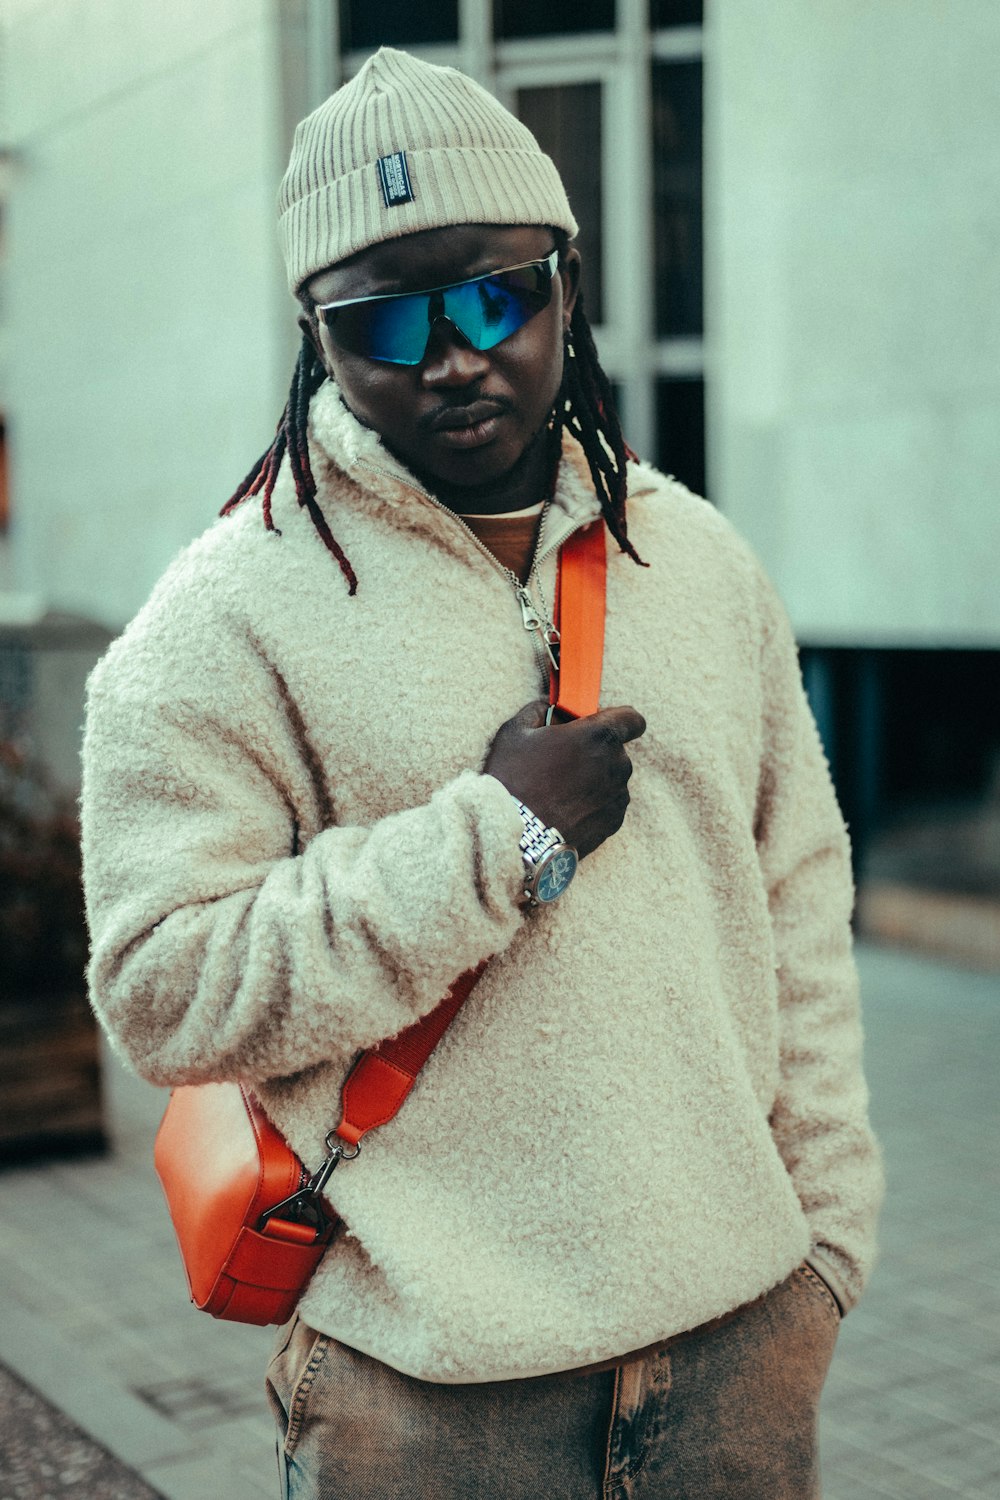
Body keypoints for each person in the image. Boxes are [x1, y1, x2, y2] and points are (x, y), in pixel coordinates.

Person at [81, 47, 883, 1500]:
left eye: (494, 296)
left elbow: (799, 900)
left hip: (737, 1351)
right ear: (314, 335)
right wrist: (489, 842)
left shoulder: (697, 561)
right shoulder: (221, 620)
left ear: (566, 283)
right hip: (421, 1398)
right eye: (386, 318)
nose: (453, 355)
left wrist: (824, 1245)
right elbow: (159, 987)